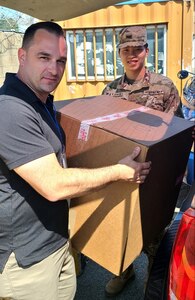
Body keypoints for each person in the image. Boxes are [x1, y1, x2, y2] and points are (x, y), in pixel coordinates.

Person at [0, 21, 151, 300]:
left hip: (55, 243)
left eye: (61, 61)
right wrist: (118, 171)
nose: (54, 69)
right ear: (22, 56)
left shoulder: (41, 103)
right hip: (27, 260)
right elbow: (54, 185)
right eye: (43, 58)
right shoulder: (10, 110)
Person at [102, 25, 182, 297]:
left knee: (154, 232)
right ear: (120, 54)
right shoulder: (110, 91)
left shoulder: (164, 86)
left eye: (137, 49)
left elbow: (177, 131)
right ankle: (123, 271)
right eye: (126, 50)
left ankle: (153, 277)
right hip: (121, 171)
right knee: (120, 229)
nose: (132, 54)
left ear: (146, 51)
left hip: (154, 175)